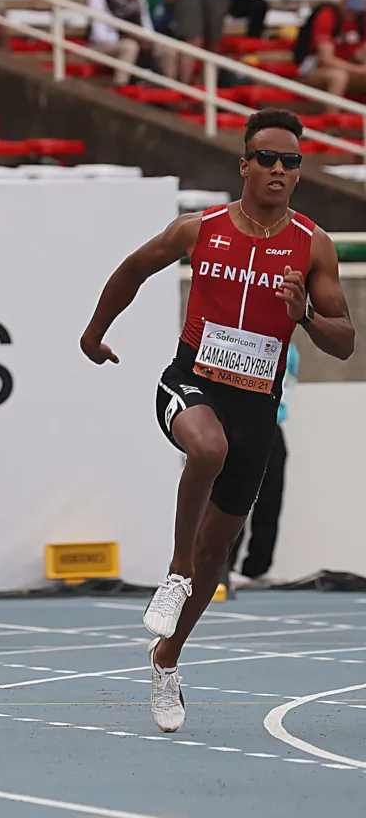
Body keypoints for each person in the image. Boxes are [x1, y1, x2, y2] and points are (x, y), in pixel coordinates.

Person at [80, 108, 355, 732]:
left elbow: (345, 341)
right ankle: (172, 574)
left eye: (292, 162)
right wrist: (95, 335)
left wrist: (305, 313)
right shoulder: (197, 229)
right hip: (191, 380)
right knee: (205, 451)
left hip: (256, 404)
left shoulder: (313, 245)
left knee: (217, 552)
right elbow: (133, 268)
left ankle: (166, 660)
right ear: (245, 165)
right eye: (268, 159)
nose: (280, 170)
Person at [227, 341, 298, 588]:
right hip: (246, 422)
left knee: (271, 498)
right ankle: (225, 565)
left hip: (275, 424)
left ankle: (258, 566)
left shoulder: (292, 349)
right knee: (237, 495)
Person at [86, 0, 177, 87]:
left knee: (168, 49)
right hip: (103, 44)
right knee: (129, 47)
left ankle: (169, 91)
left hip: (135, 36)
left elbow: (144, 19)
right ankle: (120, 85)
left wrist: (146, 38)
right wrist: (128, 37)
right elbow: (100, 34)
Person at [296, 0, 366, 101]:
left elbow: (362, 52)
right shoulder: (328, 15)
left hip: (349, 66)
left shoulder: (361, 19)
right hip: (314, 68)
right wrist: (359, 70)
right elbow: (327, 59)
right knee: (338, 76)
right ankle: (331, 117)